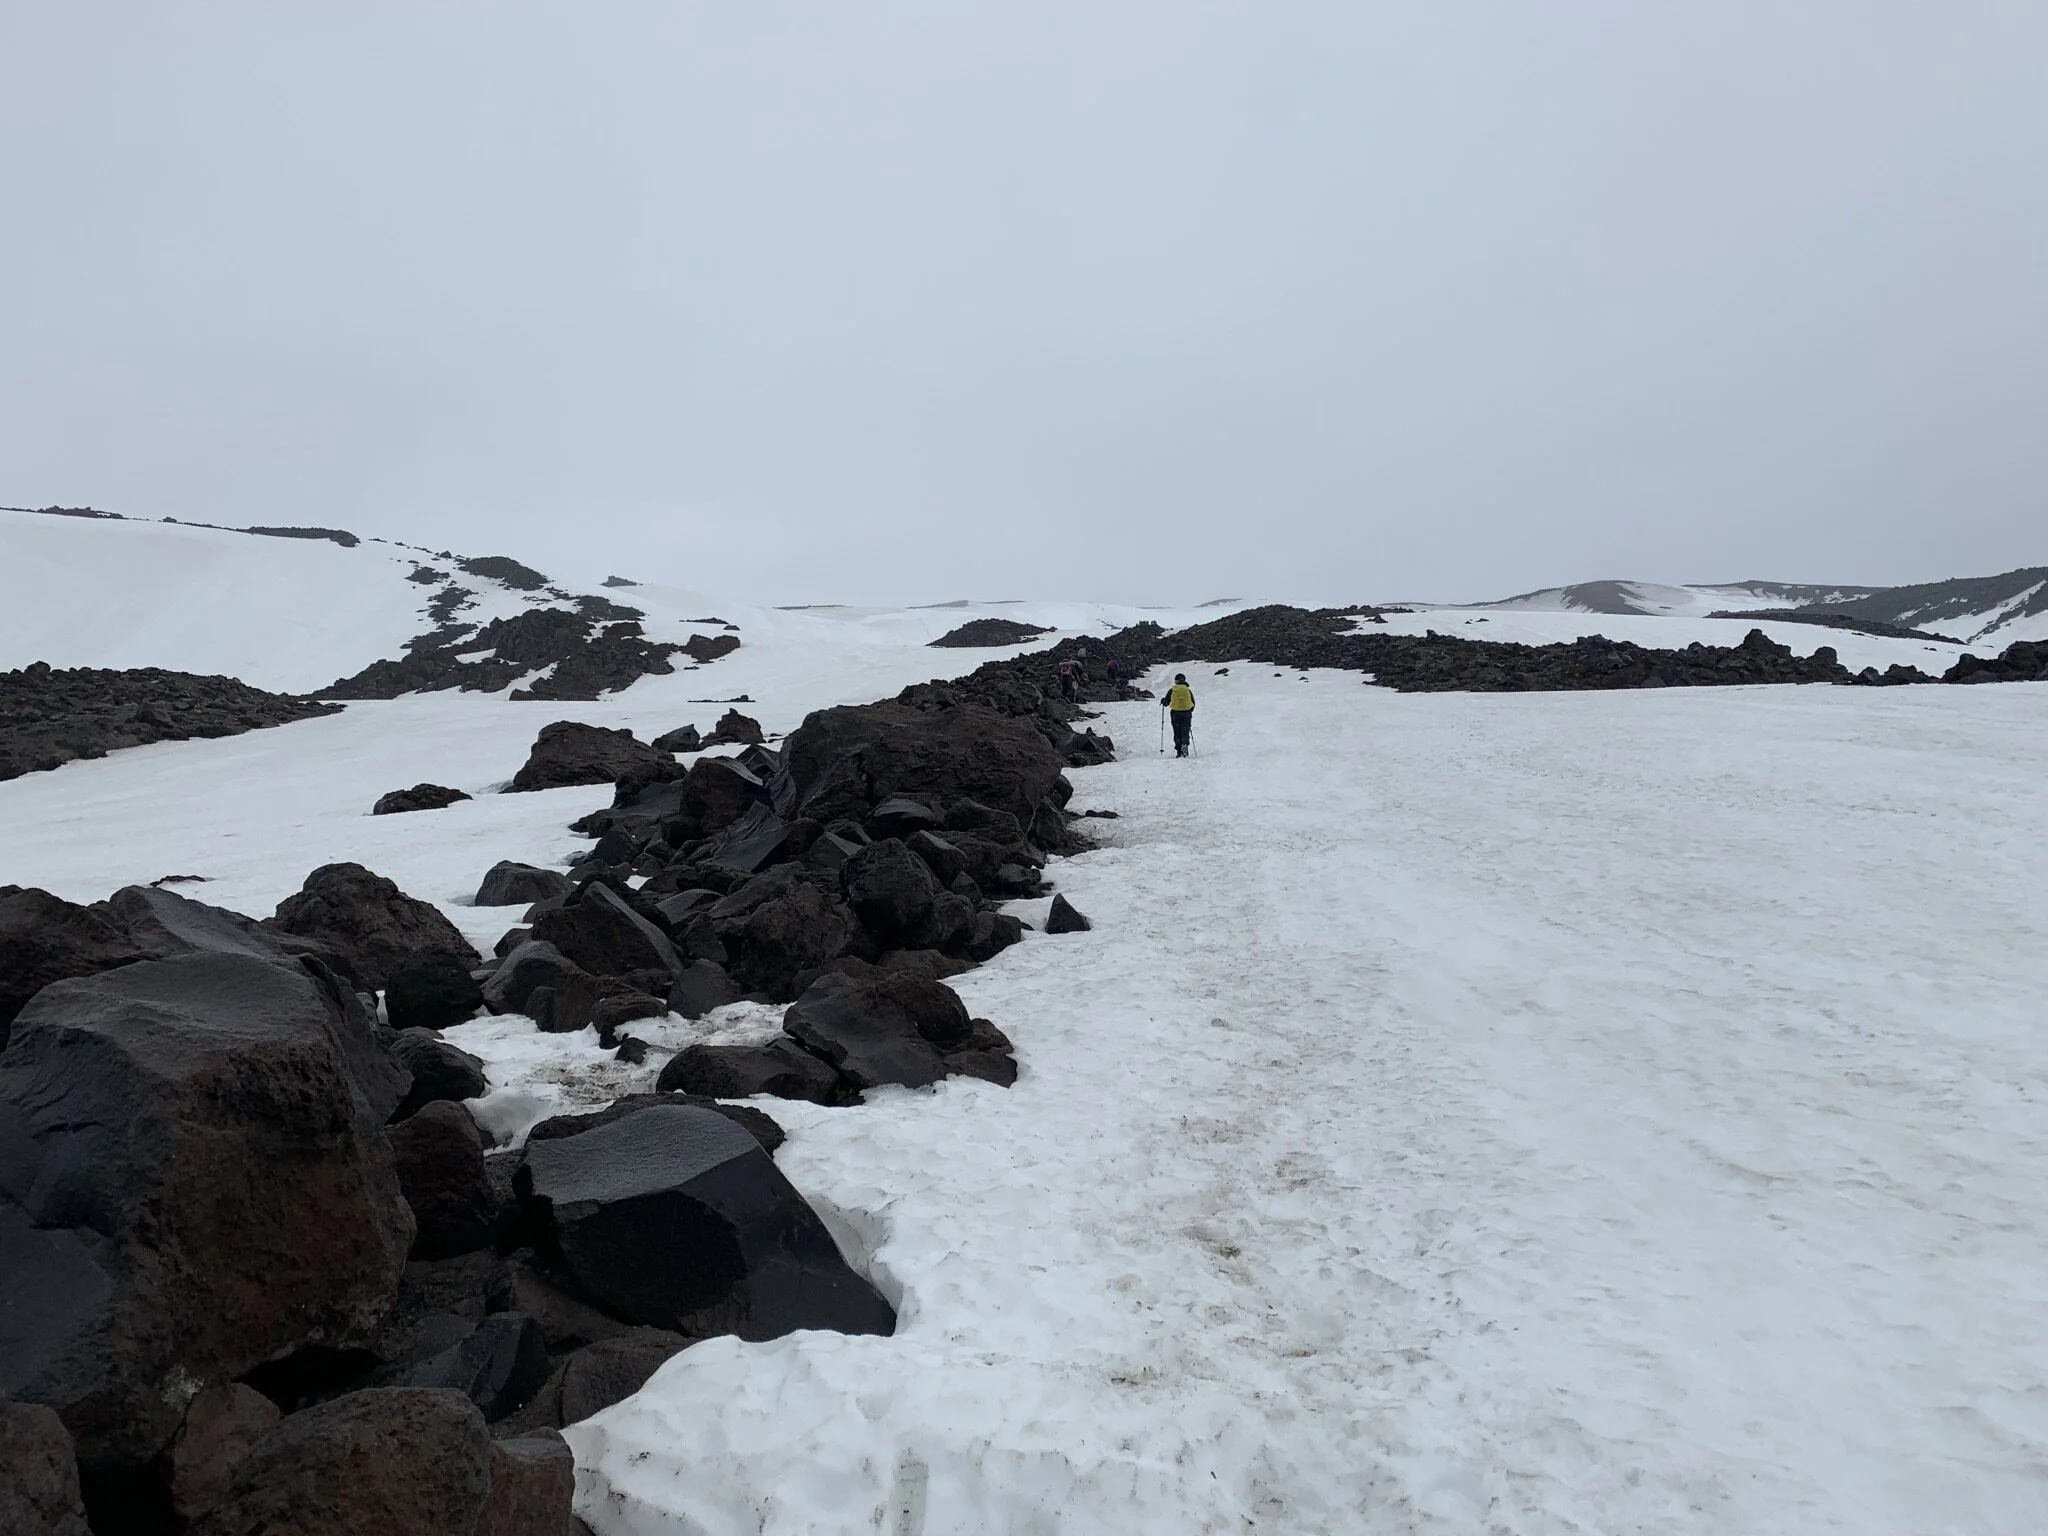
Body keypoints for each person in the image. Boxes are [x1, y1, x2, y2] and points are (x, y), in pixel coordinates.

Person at [1161, 673, 1195, 756]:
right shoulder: (1187, 690)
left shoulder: (1172, 690)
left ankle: (1179, 750)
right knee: (1185, 730)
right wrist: (1190, 710)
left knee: (1177, 731)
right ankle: (1185, 746)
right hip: (1186, 713)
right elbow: (1193, 703)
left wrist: (1163, 700)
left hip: (1175, 713)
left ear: (1176, 681)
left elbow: (1166, 703)